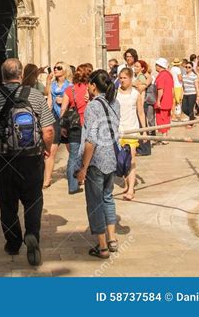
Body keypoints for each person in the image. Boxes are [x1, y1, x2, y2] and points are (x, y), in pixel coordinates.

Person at [0, 58, 54, 266]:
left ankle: (12, 242)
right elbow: (48, 130)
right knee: (33, 199)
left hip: (3, 158)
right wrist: (46, 150)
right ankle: (32, 235)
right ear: (20, 75)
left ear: (3, 76)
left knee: (7, 203)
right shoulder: (35, 96)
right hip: (31, 158)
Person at [75, 70, 120, 259]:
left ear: (93, 86)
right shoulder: (115, 103)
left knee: (95, 203)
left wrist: (83, 167)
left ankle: (101, 246)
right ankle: (112, 239)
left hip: (96, 160)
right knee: (108, 197)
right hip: (112, 158)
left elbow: (91, 140)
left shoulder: (93, 106)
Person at [59, 63, 90, 194]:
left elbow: (63, 109)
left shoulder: (69, 90)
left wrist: (62, 125)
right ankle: (85, 178)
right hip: (87, 124)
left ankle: (72, 186)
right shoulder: (90, 89)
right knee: (89, 154)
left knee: (73, 156)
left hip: (73, 125)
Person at [117, 67, 145, 200]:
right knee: (121, 160)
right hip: (119, 130)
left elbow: (140, 112)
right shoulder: (115, 93)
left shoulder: (136, 94)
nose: (122, 80)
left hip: (132, 129)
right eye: (120, 78)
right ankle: (127, 183)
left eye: (124, 78)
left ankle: (131, 190)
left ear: (130, 78)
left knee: (132, 159)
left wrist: (143, 131)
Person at [43, 61, 71, 188]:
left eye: (59, 68)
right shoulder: (53, 85)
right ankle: (47, 179)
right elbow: (49, 100)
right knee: (52, 150)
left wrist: (65, 100)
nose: (55, 70)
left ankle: (80, 173)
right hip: (55, 118)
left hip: (67, 119)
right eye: (54, 68)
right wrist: (46, 117)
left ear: (65, 70)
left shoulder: (70, 85)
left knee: (72, 149)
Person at [153, 58, 173, 143]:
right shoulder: (169, 74)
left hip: (162, 101)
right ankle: (166, 136)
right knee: (167, 118)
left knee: (161, 118)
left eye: (156, 65)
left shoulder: (161, 75)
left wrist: (158, 101)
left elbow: (160, 89)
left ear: (159, 66)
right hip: (168, 99)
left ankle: (164, 138)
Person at [181, 62, 199, 126]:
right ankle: (192, 118)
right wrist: (182, 93)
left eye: (189, 67)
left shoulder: (194, 76)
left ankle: (191, 123)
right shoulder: (184, 75)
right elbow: (183, 86)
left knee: (190, 108)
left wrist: (198, 96)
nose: (187, 68)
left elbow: (196, 86)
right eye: (186, 67)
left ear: (192, 68)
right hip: (185, 94)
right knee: (183, 108)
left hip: (192, 94)